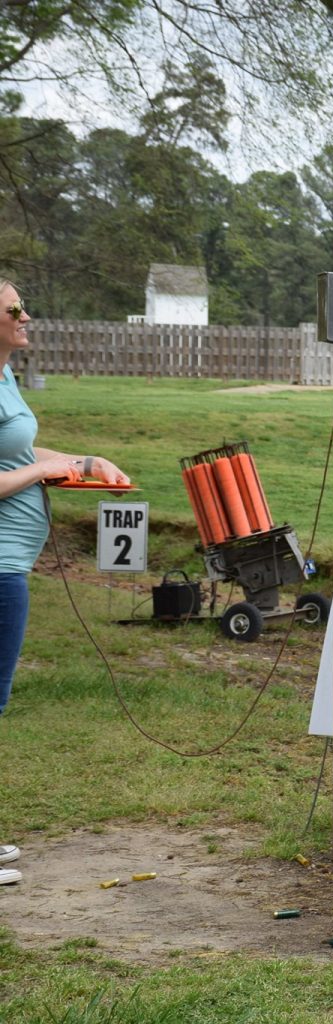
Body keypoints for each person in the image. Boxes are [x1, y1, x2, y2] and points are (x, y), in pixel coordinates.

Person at [1, 278, 131, 885]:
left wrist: (78, 462)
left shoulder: (6, 378)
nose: (26, 316)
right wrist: (49, 469)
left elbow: (14, 453)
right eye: (13, 309)